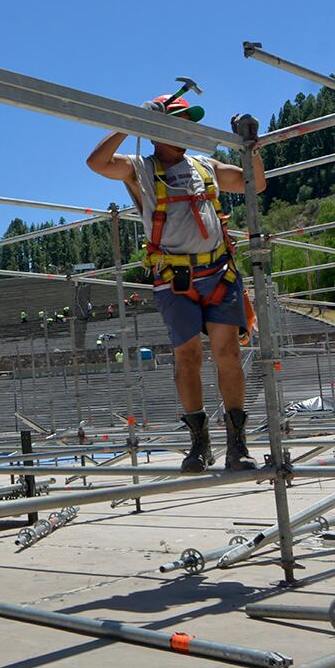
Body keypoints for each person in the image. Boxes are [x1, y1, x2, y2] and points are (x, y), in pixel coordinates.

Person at [87, 96, 264, 472]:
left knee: (228, 355)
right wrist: (129, 120)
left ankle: (237, 443)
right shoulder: (142, 169)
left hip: (218, 274)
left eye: (188, 121)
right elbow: (97, 163)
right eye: (179, 121)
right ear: (158, 129)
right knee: (187, 358)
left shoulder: (205, 166)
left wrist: (250, 147)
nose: (187, 128)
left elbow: (256, 182)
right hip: (175, 279)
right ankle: (199, 442)